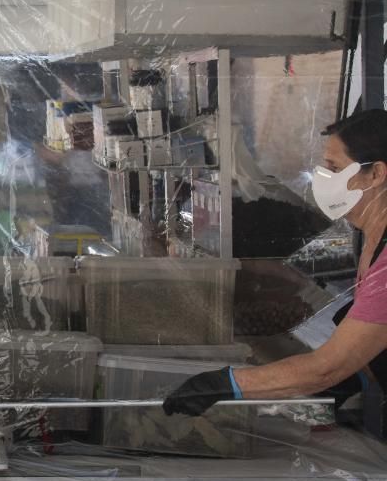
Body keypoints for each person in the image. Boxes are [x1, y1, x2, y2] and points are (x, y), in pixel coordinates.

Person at [164, 109, 387, 417]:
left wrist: (225, 383)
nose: (324, 178)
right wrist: (357, 374)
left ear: (375, 174)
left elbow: (326, 368)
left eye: (334, 168)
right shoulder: (369, 236)